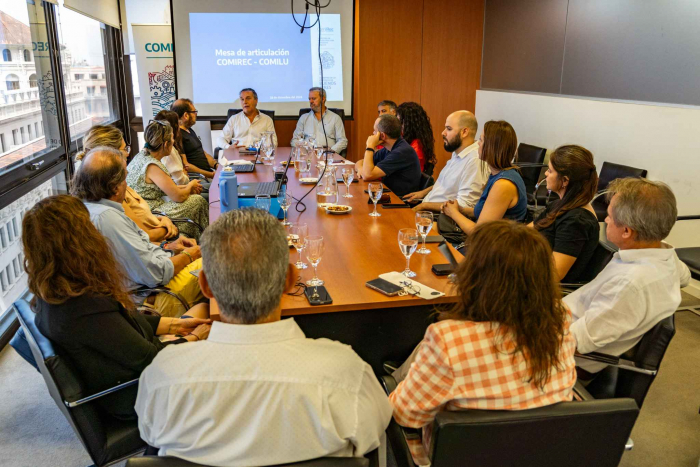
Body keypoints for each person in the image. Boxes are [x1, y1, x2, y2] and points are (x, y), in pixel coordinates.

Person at [136, 209, 392, 465]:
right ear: (290, 280)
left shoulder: (163, 376)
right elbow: (373, 436)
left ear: (205, 286)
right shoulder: (347, 373)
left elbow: (152, 437)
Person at [389, 220, 576, 466]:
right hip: (539, 452)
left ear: (475, 275)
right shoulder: (559, 320)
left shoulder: (450, 340)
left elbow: (404, 415)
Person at [23, 195, 211, 420]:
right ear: (80, 241)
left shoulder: (55, 290)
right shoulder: (84, 308)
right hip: (136, 392)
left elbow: (123, 323)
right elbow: (150, 358)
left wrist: (177, 325)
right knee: (224, 349)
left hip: (129, 370)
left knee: (204, 311)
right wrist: (195, 338)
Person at [564, 178, 691, 380]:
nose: (605, 219)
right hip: (563, 319)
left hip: (566, 360)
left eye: (610, 216)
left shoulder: (630, 284)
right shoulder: (663, 253)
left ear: (626, 231)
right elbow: (685, 277)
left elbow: (575, 342)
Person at [72, 147, 206, 318]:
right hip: (152, 298)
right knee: (217, 261)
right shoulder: (108, 219)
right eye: (124, 180)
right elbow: (157, 274)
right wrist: (189, 255)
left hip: (151, 282)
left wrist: (170, 248)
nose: (126, 185)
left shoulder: (95, 209)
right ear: (114, 187)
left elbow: (138, 256)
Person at [75, 124, 178, 242]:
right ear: (111, 155)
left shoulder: (111, 188)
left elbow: (142, 222)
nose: (128, 153)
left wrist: (162, 219)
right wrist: (168, 227)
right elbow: (143, 236)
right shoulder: (115, 195)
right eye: (124, 149)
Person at [441, 120, 527, 248]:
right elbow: (484, 212)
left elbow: (480, 233)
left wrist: (454, 213)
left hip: (496, 251)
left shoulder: (503, 184)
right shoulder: (499, 174)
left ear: (491, 147)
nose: (477, 144)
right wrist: (461, 209)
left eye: (480, 140)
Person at [126, 120, 208, 240]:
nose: (174, 142)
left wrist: (188, 187)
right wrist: (190, 186)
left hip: (143, 209)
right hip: (151, 214)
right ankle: (206, 239)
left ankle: (197, 237)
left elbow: (170, 188)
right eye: (172, 139)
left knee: (193, 198)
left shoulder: (141, 156)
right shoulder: (152, 166)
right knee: (197, 201)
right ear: (165, 144)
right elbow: (178, 196)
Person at [529, 145, 600, 282]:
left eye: (550, 171)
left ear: (565, 180)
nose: (546, 174)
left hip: (541, 288)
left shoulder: (576, 221)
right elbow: (527, 231)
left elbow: (553, 275)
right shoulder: (559, 205)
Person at [403, 111, 487, 212]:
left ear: (464, 132)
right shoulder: (458, 151)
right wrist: (423, 192)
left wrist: (425, 206)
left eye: (449, 129)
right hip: (426, 207)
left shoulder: (474, 161)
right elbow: (448, 184)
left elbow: (465, 205)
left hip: (440, 217)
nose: (443, 133)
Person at [355, 114, 421, 197]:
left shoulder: (401, 152)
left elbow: (368, 175)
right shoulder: (390, 148)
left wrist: (370, 146)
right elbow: (359, 162)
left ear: (382, 135)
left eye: (375, 131)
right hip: (388, 195)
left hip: (399, 202)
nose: (373, 134)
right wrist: (361, 169)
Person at [171, 98, 219, 179]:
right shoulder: (177, 135)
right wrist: (210, 175)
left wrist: (216, 165)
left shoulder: (189, 130)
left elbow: (203, 154)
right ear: (186, 115)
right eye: (194, 112)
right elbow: (186, 166)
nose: (196, 114)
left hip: (208, 174)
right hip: (198, 179)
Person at [291, 87, 348, 153]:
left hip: (328, 157)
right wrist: (304, 150)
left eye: (314, 98)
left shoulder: (335, 118)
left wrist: (330, 152)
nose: (311, 101)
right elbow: (294, 140)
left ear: (323, 99)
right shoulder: (304, 118)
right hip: (308, 157)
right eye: (309, 99)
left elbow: (342, 141)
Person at [395, 102, 437, 174]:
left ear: (409, 123)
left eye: (400, 121)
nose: (398, 125)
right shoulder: (407, 139)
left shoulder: (416, 146)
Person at [155, 110, 189, 186]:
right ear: (174, 127)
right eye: (178, 124)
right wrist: (185, 174)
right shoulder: (168, 150)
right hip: (175, 193)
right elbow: (180, 181)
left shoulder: (154, 146)